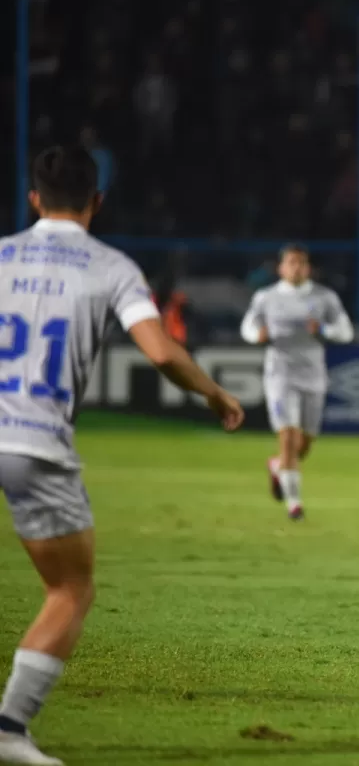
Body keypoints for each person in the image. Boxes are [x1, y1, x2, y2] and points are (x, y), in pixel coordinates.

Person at [0, 145, 244, 766]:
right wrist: (214, 394)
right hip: (35, 443)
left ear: (33, 198)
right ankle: (8, 729)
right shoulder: (110, 266)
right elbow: (161, 353)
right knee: (70, 588)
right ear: (96, 201)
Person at [240, 244, 354, 521]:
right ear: (281, 268)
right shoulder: (266, 297)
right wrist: (258, 335)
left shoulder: (324, 297)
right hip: (280, 376)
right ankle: (294, 504)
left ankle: (277, 465)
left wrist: (325, 329)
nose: (296, 268)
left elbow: (346, 331)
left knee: (304, 445)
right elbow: (248, 326)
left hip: (313, 376)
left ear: (308, 267)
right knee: (289, 438)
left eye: (301, 263)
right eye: (291, 262)